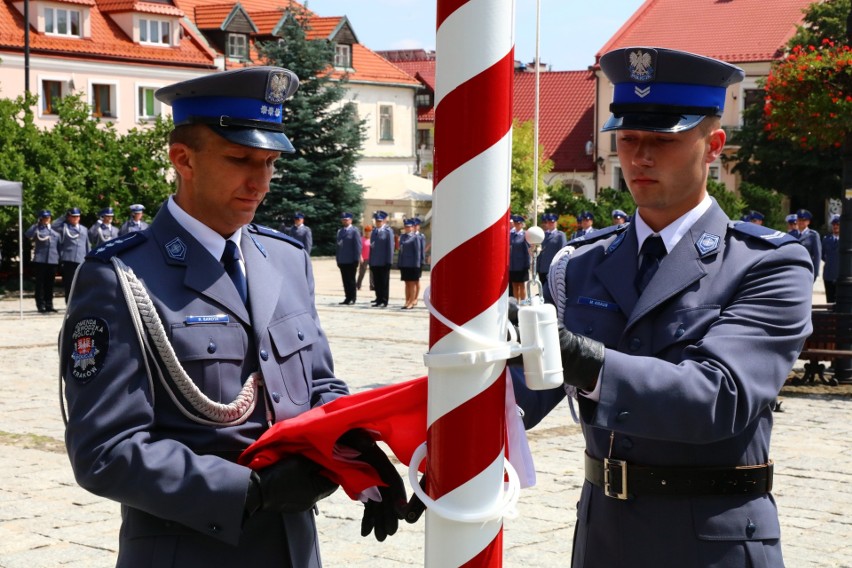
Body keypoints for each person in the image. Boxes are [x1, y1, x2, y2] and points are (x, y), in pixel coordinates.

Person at [60, 67, 407, 568]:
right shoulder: (121, 276)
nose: (260, 181)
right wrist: (250, 490)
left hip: (293, 545)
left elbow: (320, 385)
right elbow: (105, 450)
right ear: (184, 159)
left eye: (269, 162)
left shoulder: (285, 259)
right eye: (240, 159)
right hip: (189, 549)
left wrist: (355, 453)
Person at [513, 47, 813, 567]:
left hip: (711, 540)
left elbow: (718, 397)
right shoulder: (580, 264)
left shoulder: (767, 264)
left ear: (713, 145)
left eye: (663, 140)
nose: (640, 157)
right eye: (628, 139)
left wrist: (585, 360)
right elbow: (520, 398)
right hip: (603, 536)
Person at [24, 209, 59, 313]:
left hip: (52, 260)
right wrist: (36, 224)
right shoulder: (37, 230)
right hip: (40, 260)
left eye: (48, 217)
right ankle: (40, 305)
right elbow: (28, 234)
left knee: (50, 284)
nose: (46, 219)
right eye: (44, 218)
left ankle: (49, 304)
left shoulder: (54, 232)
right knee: (40, 284)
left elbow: (58, 246)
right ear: (40, 219)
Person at [56, 207, 90, 303]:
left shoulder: (84, 229)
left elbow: (87, 245)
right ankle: (69, 304)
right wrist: (64, 216)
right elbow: (54, 225)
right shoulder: (64, 228)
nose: (76, 218)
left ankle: (80, 303)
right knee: (69, 283)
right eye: (73, 216)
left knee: (81, 283)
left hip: (81, 259)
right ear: (69, 217)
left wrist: (89, 258)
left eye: (77, 216)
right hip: (69, 260)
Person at [369, 210, 394, 308]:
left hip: (384, 261)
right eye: (377, 221)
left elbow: (390, 248)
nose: (378, 222)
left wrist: (389, 261)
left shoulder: (388, 231)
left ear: (384, 221)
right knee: (377, 282)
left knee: (384, 282)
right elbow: (372, 247)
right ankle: (378, 299)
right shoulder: (374, 231)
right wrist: (371, 261)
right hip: (375, 261)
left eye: (380, 221)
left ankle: (384, 300)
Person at [336, 211, 362, 305]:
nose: (345, 221)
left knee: (351, 280)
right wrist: (338, 259)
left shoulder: (354, 231)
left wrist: (356, 259)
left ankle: (352, 298)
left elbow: (358, 246)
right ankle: (347, 297)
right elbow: (338, 247)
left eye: (346, 220)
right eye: (343, 220)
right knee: (345, 280)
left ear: (351, 220)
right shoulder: (340, 231)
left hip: (351, 260)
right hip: (343, 260)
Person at [397, 218, 423, 309]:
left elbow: (418, 252)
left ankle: (412, 301)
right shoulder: (403, 236)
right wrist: (399, 263)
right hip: (404, 264)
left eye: (409, 227)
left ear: (412, 227)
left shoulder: (415, 237)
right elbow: (400, 251)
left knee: (412, 283)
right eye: (406, 227)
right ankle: (407, 301)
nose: (407, 228)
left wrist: (417, 265)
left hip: (412, 264)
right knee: (407, 283)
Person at [537, 213, 567, 287]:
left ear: (556, 223)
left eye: (552, 222)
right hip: (542, 268)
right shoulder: (543, 235)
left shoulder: (560, 235)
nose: (550, 224)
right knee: (542, 291)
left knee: (551, 291)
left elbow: (562, 252)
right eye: (549, 222)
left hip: (553, 268)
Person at [509, 214, 530, 301]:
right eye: (515, 223)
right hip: (512, 265)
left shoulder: (524, 235)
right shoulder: (512, 234)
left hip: (521, 265)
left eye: (518, 223)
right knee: (514, 285)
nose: (517, 225)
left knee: (521, 285)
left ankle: (522, 302)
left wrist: (527, 264)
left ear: (522, 224)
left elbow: (527, 251)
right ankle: (516, 303)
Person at [797, 209, 821, 282]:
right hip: (793, 269)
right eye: (799, 220)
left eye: (804, 220)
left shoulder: (813, 235)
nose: (801, 222)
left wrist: (815, 273)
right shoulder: (792, 234)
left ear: (808, 222)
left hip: (806, 269)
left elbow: (817, 255)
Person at [822, 214, 841, 303]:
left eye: (838, 224)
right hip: (828, 274)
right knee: (829, 301)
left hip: (841, 275)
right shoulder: (826, 239)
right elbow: (822, 255)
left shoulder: (847, 240)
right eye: (834, 224)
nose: (835, 226)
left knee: (841, 302)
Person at [356, 225, 373, 292]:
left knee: (372, 273)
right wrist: (360, 257)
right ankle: (358, 285)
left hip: (372, 258)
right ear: (365, 232)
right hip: (364, 258)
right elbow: (359, 249)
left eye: (369, 231)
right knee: (362, 272)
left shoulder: (372, 239)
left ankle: (372, 286)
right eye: (367, 231)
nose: (368, 233)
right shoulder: (361, 239)